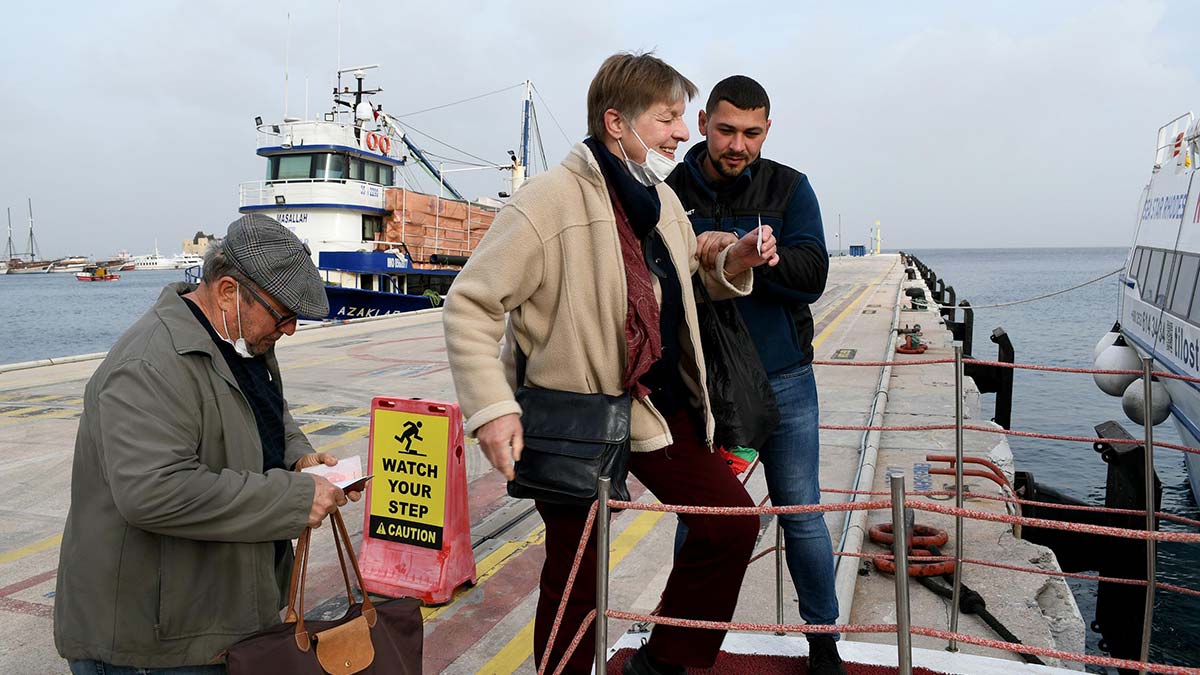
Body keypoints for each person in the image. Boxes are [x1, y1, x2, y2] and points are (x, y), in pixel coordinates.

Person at [444, 53, 778, 675]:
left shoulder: (658, 200)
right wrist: (492, 409)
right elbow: (471, 303)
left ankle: (663, 664)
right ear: (617, 123)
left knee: (730, 523)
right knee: (576, 572)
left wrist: (734, 259)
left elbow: (684, 283)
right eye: (669, 118)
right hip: (574, 418)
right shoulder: (546, 201)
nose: (683, 133)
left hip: (657, 407)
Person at [54, 214, 361, 674]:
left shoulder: (238, 340)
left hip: (216, 618)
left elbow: (265, 412)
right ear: (228, 292)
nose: (292, 329)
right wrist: (294, 498)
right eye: (284, 314)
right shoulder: (148, 364)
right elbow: (152, 492)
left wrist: (300, 460)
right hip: (155, 643)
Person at [666, 75, 843, 674]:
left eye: (751, 132)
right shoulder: (669, 191)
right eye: (725, 130)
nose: (737, 144)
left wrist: (751, 255)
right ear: (702, 126)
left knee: (802, 516)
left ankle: (824, 642)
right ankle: (683, 640)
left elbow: (812, 274)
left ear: (767, 131)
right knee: (704, 520)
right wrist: (704, 255)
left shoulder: (791, 188)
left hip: (787, 382)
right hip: (711, 395)